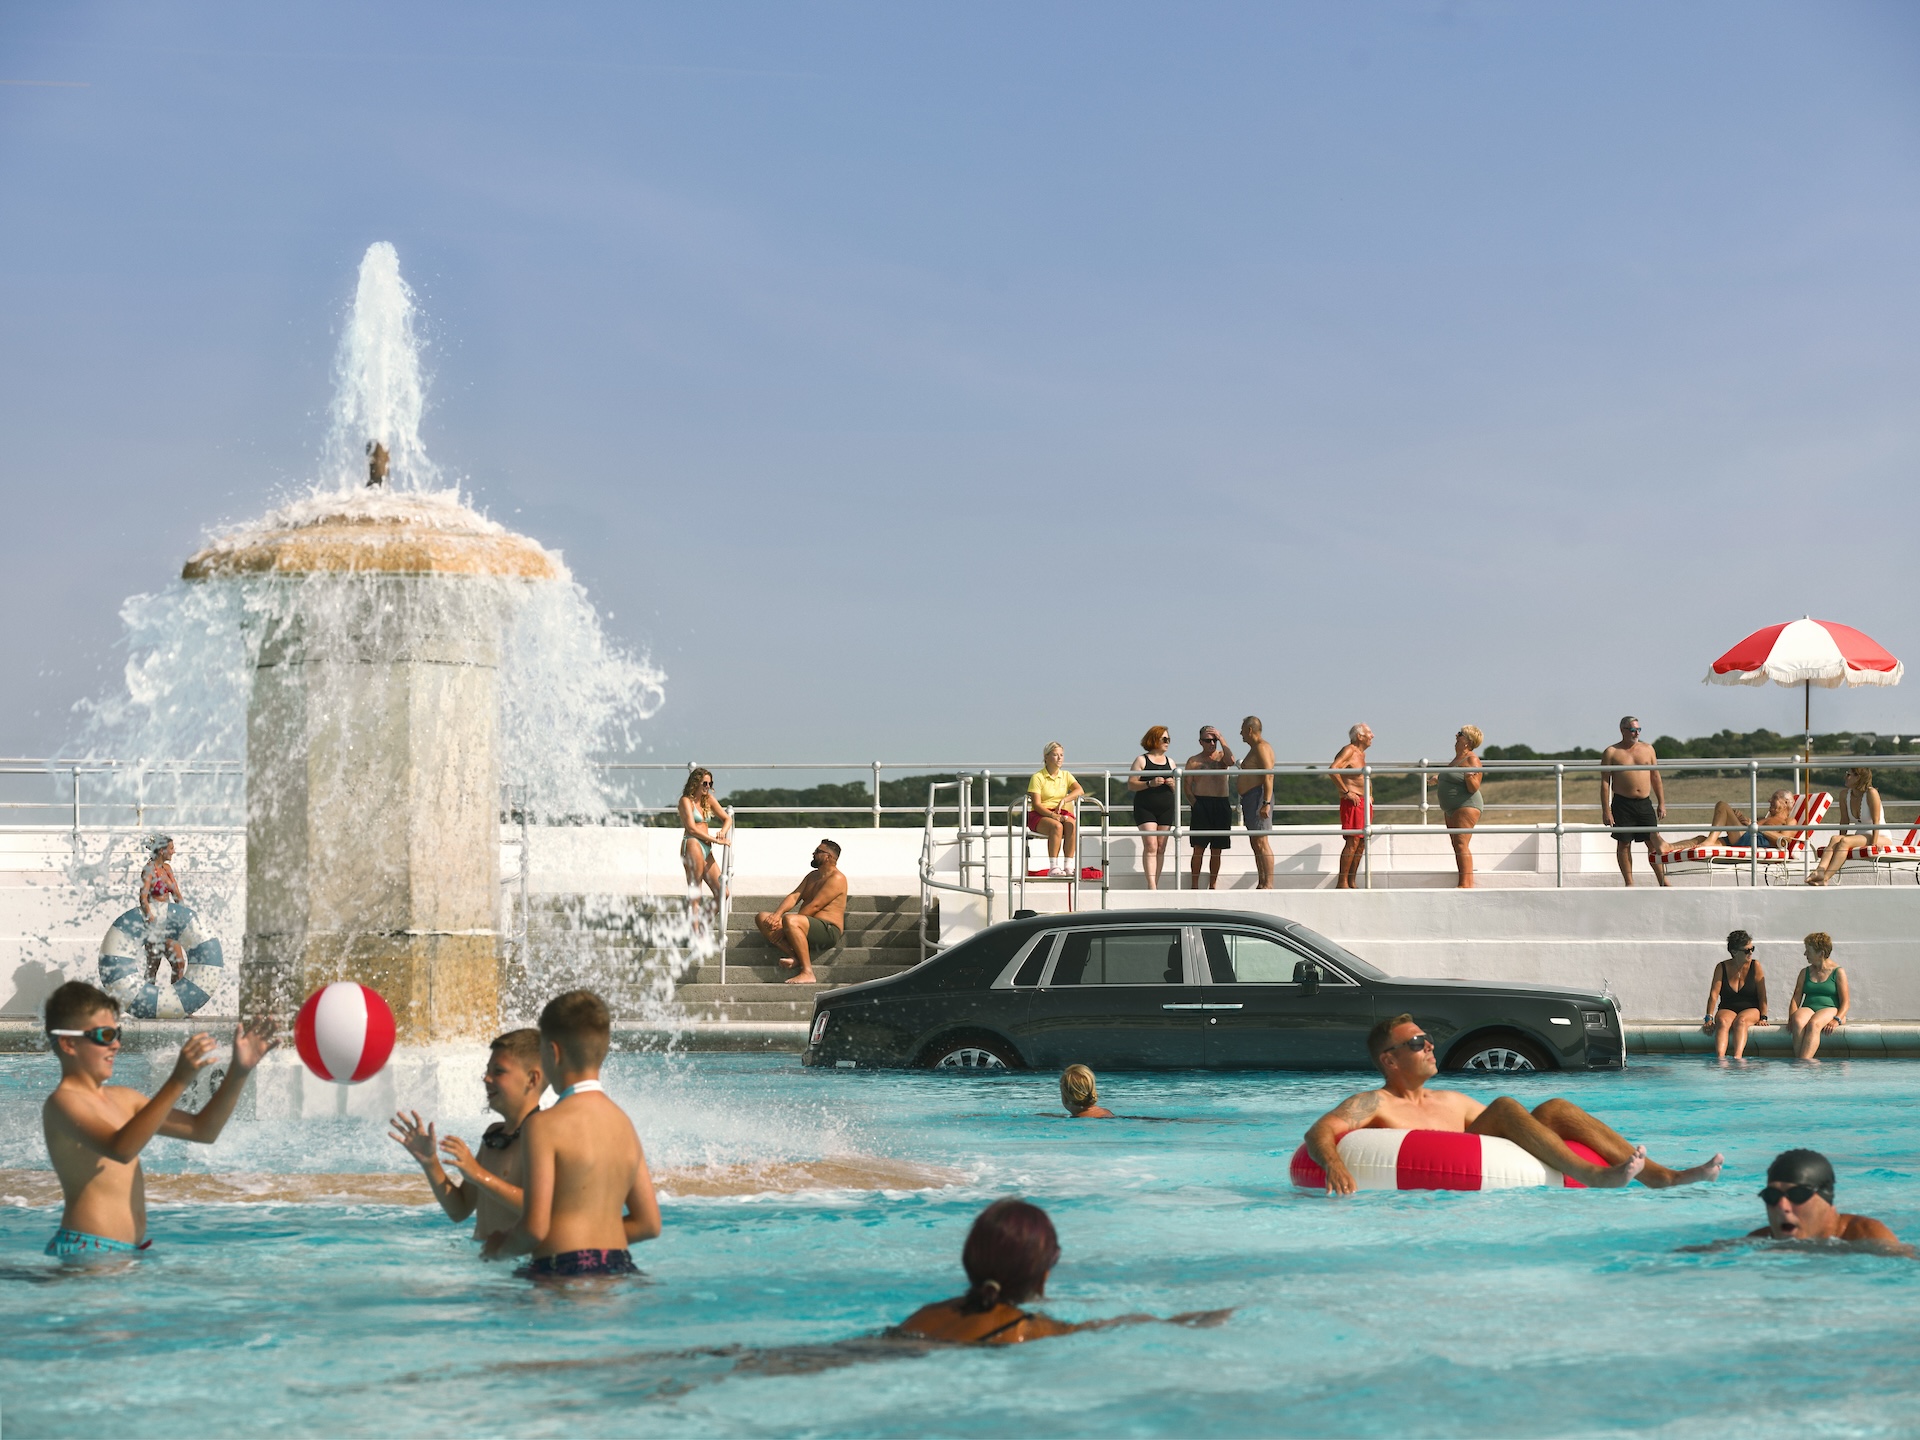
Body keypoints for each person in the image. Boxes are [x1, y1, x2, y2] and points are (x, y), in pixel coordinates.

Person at [1303, 1014, 1723, 1195]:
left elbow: (1507, 1133)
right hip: (1435, 1193)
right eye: (1416, 1043)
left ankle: (1661, 1176)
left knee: (1556, 1107)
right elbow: (1320, 1131)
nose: (1429, 1045)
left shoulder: (1451, 1101)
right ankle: (1594, 1175)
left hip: (1480, 1172)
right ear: (1390, 1060)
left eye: (1428, 1038)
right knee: (1504, 1104)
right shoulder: (1375, 1102)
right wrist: (1335, 1164)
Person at [40, 980, 275, 1260]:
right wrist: (177, 1080)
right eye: (104, 1035)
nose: (115, 1044)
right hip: (88, 1249)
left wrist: (240, 1070)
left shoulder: (125, 1099)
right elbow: (121, 1149)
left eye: (117, 1033)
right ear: (69, 1043)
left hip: (124, 1252)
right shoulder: (63, 1102)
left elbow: (203, 1130)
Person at [483, 989, 661, 1277]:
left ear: (552, 1053)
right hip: (620, 1267)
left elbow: (534, 1228)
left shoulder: (543, 1125)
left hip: (561, 1269)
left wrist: (498, 1249)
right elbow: (649, 1224)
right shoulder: (623, 1123)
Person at [895, 1198, 1227, 1344]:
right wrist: (1177, 1323)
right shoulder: (1023, 1329)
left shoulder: (925, 1314)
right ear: (1042, 1272)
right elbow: (1103, 1327)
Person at [389, 1028, 544, 1242]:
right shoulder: (493, 1135)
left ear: (532, 1079)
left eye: (498, 1071)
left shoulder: (542, 1137)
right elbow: (459, 1210)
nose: (487, 1079)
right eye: (487, 1071)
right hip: (486, 1262)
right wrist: (430, 1162)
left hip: (519, 1267)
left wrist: (478, 1174)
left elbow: (542, 1210)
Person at [1746, 1150, 1904, 1249]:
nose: (1782, 1206)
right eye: (1772, 1196)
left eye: (1797, 1195)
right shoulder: (1761, 1240)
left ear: (1826, 1200)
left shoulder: (1866, 1236)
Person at [755, 838, 850, 985]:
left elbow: (815, 906)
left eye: (818, 851)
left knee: (790, 919)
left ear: (828, 856)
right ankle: (796, 957)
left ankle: (808, 972)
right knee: (762, 918)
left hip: (828, 930)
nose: (813, 853)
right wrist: (776, 915)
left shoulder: (837, 878)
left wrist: (786, 927)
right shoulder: (812, 876)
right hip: (803, 926)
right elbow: (794, 896)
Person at [1600, 716, 1668, 887]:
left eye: (1638, 729)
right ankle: (1629, 883)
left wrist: (1661, 802)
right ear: (1622, 730)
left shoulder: (1648, 749)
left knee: (1653, 842)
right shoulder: (1612, 752)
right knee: (1624, 843)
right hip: (1622, 803)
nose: (1636, 733)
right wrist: (1606, 810)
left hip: (1644, 802)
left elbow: (1656, 777)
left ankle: (1662, 880)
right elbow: (1605, 782)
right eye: (1632, 730)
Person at [1807, 768, 1886, 886]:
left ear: (1858, 777)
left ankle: (1825, 879)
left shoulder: (1871, 793)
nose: (1845, 777)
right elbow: (1844, 820)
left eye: (1848, 775)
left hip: (1879, 835)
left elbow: (1876, 821)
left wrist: (1873, 845)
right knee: (1835, 839)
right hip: (1861, 835)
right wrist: (1837, 844)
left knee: (1844, 841)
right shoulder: (1844, 795)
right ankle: (1820, 870)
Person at [1660, 790, 1797, 855]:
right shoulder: (1766, 817)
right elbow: (1751, 829)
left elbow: (1783, 841)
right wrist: (1742, 821)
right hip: (1746, 838)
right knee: (1700, 839)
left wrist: (1756, 828)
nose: (1769, 801)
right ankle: (1669, 847)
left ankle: (1709, 841)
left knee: (1722, 806)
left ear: (1786, 803)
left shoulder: (1789, 821)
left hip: (1755, 841)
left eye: (1774, 798)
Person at [1701, 930, 1768, 1060]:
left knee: (1741, 1021)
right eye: (1746, 950)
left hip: (1751, 1008)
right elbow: (1714, 994)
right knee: (1722, 1021)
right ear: (1734, 952)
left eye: (1752, 949)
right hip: (1728, 1007)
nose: (1750, 953)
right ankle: (1720, 1059)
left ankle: (1738, 1058)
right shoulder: (1721, 967)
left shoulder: (1756, 966)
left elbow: (1762, 994)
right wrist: (1709, 1018)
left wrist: (1763, 1017)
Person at [1185, 725, 1236, 890]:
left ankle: (1213, 885)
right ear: (1201, 742)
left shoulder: (1222, 757)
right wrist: (1195, 804)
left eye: (1214, 740)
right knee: (1198, 848)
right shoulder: (1194, 761)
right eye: (1208, 740)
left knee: (1217, 849)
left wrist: (1222, 738)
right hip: (1202, 803)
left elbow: (1232, 761)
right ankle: (1194, 885)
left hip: (1221, 803)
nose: (1212, 743)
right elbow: (1187, 786)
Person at [1127, 726, 1177, 890]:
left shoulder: (1171, 762)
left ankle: (1156, 882)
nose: (1167, 742)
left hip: (1166, 808)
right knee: (1151, 845)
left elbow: (1178, 788)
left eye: (1168, 739)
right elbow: (1131, 784)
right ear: (1154, 739)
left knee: (1161, 847)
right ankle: (1152, 886)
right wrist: (1150, 783)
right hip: (1145, 807)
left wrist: (1172, 784)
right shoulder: (1141, 760)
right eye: (1164, 739)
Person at [1786, 931, 1848, 1059]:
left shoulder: (1838, 972)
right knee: (1798, 1020)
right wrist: (1791, 1017)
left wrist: (1837, 1019)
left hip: (1830, 1008)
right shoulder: (1805, 972)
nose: (1805, 954)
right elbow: (1796, 998)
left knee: (1813, 1024)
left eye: (1808, 951)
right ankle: (1801, 1061)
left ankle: (1803, 1062)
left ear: (1821, 953)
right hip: (1809, 1007)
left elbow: (1846, 1002)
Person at [1026, 743, 1085, 878]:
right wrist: (1053, 816)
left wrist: (1065, 799)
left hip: (1060, 812)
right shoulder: (1037, 777)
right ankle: (1053, 867)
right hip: (1040, 814)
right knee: (1057, 826)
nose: (1059, 758)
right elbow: (1037, 804)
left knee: (1072, 824)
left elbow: (1079, 790)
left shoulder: (1066, 775)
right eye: (1055, 755)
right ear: (1046, 757)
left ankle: (1068, 866)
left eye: (1061, 755)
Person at [677, 769, 733, 908]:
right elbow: (692, 828)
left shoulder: (708, 800)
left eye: (710, 783)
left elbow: (727, 819)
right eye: (705, 783)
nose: (708, 787)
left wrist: (722, 832)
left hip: (707, 848)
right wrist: (716, 840)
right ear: (695, 783)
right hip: (692, 843)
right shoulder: (686, 801)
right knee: (696, 892)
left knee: (723, 893)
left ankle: (701, 926)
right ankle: (694, 929)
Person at [1437, 726, 1484, 889]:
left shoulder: (1472, 759)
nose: (1456, 735)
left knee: (1461, 843)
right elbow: (1455, 777)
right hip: (1451, 808)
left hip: (1466, 805)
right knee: (1457, 844)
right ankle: (1465, 882)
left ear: (1468, 741)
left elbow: (1474, 787)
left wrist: (1470, 776)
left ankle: (1465, 884)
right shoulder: (1457, 758)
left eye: (1460, 734)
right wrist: (1439, 779)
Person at [139, 834, 187, 985]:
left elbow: (177, 895)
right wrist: (150, 918)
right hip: (155, 924)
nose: (174, 852)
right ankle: (147, 1002)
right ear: (161, 851)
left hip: (168, 923)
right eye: (171, 848)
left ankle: (174, 1000)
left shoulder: (167, 869)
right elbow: (143, 898)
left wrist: (183, 916)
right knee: (153, 968)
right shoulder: (149, 870)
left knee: (179, 964)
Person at [1330, 724, 1373, 889]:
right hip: (1352, 802)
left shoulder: (1362, 754)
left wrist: (1370, 794)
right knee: (1353, 842)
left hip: (1364, 802)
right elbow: (1333, 770)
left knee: (1362, 843)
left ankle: (1351, 882)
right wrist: (1346, 792)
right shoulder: (1349, 750)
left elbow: (1364, 777)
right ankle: (1342, 883)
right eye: (1369, 733)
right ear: (1359, 736)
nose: (1372, 736)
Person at [1238, 716, 1276, 890]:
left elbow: (1268, 774)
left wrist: (1266, 802)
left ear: (1250, 730)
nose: (1241, 734)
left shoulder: (1261, 747)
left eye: (1242, 730)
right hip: (1250, 798)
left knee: (1261, 841)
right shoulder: (1255, 748)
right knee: (1255, 842)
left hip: (1259, 797)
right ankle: (1262, 882)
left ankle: (1268, 883)